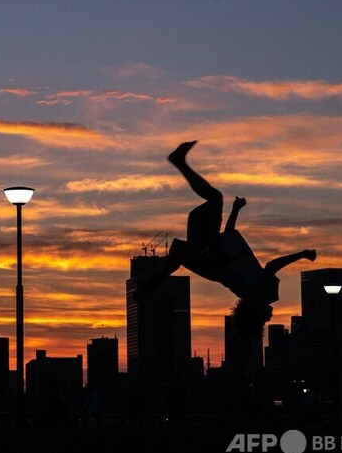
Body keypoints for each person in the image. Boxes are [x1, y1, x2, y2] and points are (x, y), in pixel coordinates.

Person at [135, 141, 316, 338]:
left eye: (264, 320)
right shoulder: (247, 293)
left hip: (215, 257)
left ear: (255, 315)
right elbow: (229, 235)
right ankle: (155, 280)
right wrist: (235, 211)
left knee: (214, 200)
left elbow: (272, 266)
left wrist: (302, 254)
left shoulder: (267, 293)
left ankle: (179, 162)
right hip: (213, 260)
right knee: (185, 247)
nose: (270, 318)